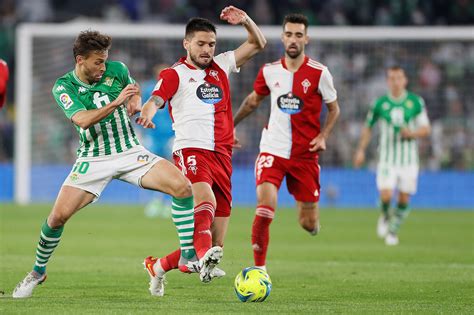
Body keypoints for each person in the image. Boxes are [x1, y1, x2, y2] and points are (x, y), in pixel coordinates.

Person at [12, 30, 198, 298]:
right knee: (56, 218)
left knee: (182, 186)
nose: (103, 66)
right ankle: (38, 271)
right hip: (92, 158)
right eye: (97, 61)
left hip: (130, 151)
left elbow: (132, 91)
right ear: (80, 60)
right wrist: (117, 102)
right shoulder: (63, 86)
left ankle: (187, 255)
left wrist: (134, 103)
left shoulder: (117, 69)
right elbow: (83, 120)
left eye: (105, 60)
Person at [136, 6, 266, 295]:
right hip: (191, 150)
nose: (207, 50)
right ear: (187, 43)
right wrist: (147, 109)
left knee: (214, 245)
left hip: (222, 155)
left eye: (211, 44)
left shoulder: (222, 65)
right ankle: (202, 257)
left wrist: (245, 20)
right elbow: (157, 98)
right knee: (203, 199)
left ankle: (156, 266)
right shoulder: (175, 73)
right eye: (201, 44)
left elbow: (258, 44)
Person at [233, 14, 340, 272]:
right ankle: (260, 270)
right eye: (289, 34)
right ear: (282, 37)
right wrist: (230, 126)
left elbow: (334, 109)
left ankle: (313, 224)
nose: (293, 40)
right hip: (273, 150)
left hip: (305, 155)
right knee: (265, 205)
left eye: (298, 35)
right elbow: (252, 101)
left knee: (307, 222)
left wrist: (323, 136)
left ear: (306, 38)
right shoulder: (269, 71)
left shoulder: (319, 73)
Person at [353, 66, 431, 246]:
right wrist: (361, 150)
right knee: (386, 194)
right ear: (388, 81)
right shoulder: (379, 104)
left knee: (403, 198)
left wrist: (411, 133)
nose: (395, 82)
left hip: (409, 160)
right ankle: (385, 215)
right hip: (387, 159)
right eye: (392, 78)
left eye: (399, 78)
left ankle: (393, 231)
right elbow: (368, 128)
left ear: (405, 81)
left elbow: (426, 129)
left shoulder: (415, 102)